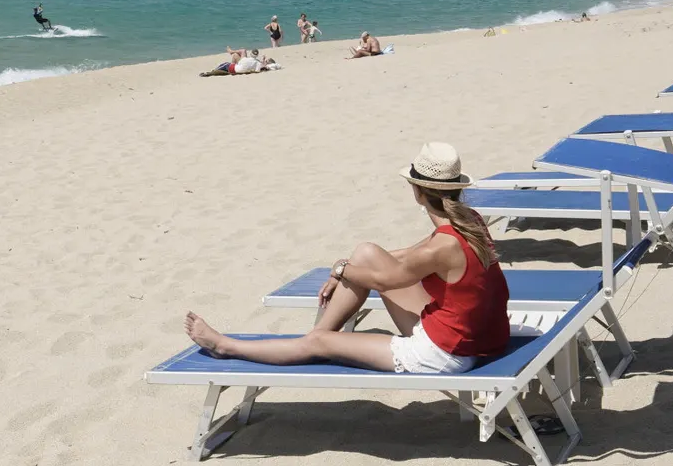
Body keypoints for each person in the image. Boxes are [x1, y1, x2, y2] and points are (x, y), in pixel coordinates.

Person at [183, 143, 509, 374]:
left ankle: (230, 346)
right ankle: (318, 339)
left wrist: (341, 269)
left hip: (444, 354)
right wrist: (347, 268)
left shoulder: (442, 246)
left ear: (418, 192)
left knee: (329, 328)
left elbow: (383, 280)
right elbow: (408, 255)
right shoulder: (468, 221)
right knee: (367, 251)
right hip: (469, 337)